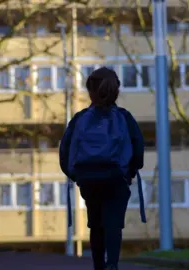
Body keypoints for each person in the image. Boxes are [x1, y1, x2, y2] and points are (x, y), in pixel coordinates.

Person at [59, 67, 145, 270]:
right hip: (116, 177)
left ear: (90, 91)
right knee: (113, 223)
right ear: (116, 90)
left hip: (88, 178)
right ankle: (112, 264)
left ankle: (98, 266)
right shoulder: (124, 117)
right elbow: (138, 148)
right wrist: (130, 172)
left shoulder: (80, 118)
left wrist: (75, 174)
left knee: (95, 223)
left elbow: (65, 150)